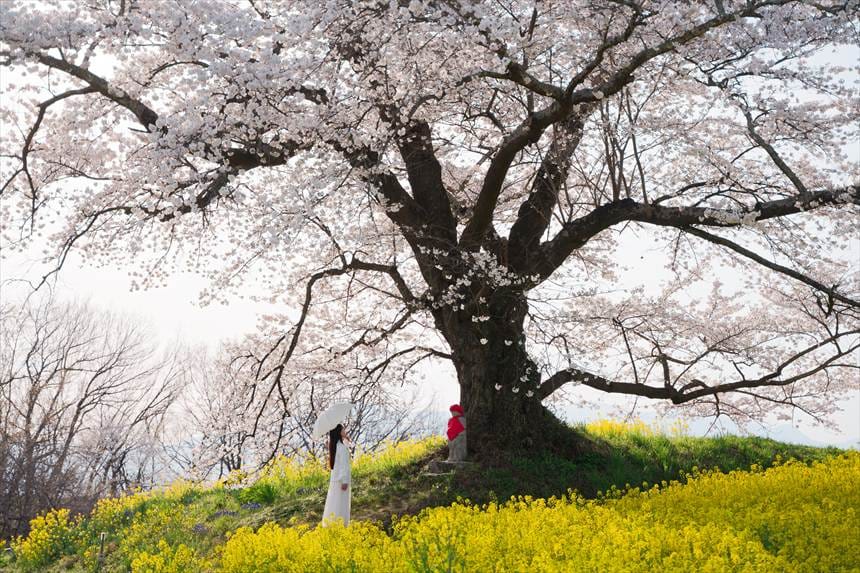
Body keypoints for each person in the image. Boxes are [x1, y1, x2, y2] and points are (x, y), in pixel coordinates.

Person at [322, 423, 351, 526]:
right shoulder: (341, 448)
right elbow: (344, 465)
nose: (345, 431)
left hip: (336, 480)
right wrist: (345, 481)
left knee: (334, 502)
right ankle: (340, 525)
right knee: (341, 504)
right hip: (341, 480)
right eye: (343, 429)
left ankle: (331, 524)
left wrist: (347, 440)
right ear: (339, 432)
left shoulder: (335, 446)